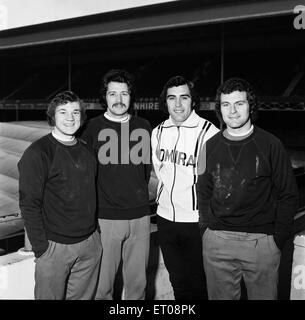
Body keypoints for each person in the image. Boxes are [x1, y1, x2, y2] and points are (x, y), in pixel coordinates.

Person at [197, 77, 299, 300]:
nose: (232, 111)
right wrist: (206, 231)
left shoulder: (271, 145)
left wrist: (276, 240)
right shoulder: (209, 146)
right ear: (219, 109)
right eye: (226, 105)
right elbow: (203, 191)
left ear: (250, 106)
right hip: (217, 241)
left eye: (239, 104)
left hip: (261, 243)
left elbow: (288, 194)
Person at [18, 91, 102, 300]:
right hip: (54, 248)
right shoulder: (38, 153)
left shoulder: (87, 150)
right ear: (52, 116)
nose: (70, 117)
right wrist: (42, 249)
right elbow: (29, 204)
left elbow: (91, 193)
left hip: (89, 244)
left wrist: (95, 235)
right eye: (63, 112)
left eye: (75, 112)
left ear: (82, 117)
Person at [81, 69, 152, 300]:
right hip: (105, 219)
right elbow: (85, 176)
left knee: (138, 287)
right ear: (105, 97)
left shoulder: (144, 125)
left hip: (140, 218)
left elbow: (146, 170)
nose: (119, 100)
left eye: (124, 93)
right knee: (102, 289)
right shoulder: (91, 128)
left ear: (131, 96)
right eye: (113, 94)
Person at [151, 75, 219, 300]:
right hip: (165, 219)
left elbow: (216, 183)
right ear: (166, 102)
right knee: (178, 282)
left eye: (184, 97)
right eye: (172, 98)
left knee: (200, 285)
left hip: (195, 222)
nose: (178, 104)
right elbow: (160, 171)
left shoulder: (209, 133)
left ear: (193, 101)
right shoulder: (158, 132)